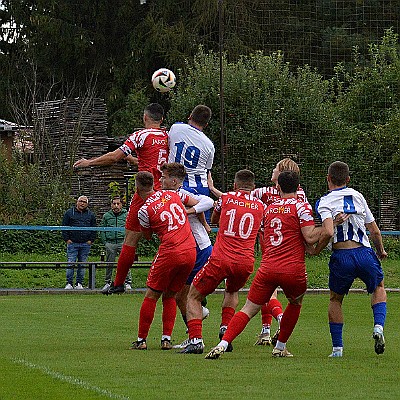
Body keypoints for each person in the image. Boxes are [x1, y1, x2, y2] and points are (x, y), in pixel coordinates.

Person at [205, 170, 323, 359]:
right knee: (295, 303)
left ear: (278, 187)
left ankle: (223, 343)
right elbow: (309, 237)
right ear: (298, 187)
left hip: (268, 266)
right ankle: (280, 347)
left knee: (248, 309)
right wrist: (326, 228)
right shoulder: (301, 207)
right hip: (293, 268)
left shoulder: (268, 209)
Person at [73, 103, 168, 294]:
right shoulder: (169, 137)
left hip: (145, 194)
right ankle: (183, 282)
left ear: (144, 118)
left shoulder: (141, 135)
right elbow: (154, 162)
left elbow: (115, 157)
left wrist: (88, 163)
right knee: (171, 239)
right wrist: (135, 161)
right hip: (166, 195)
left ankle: (118, 284)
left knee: (130, 239)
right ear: (162, 120)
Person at [182, 169, 265, 354]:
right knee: (232, 290)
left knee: (193, 295)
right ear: (253, 187)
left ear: (235, 185)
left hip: (221, 258)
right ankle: (225, 328)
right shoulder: (260, 206)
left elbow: (214, 219)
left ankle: (195, 339)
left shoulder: (226, 199)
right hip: (245, 261)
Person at [315, 161, 387, 357]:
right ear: (348, 179)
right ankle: (378, 327)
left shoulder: (324, 202)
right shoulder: (358, 196)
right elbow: (374, 230)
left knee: (335, 300)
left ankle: (337, 349)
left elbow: (327, 232)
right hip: (364, 253)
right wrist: (380, 251)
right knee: (379, 287)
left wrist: (315, 250)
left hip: (341, 255)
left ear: (328, 178)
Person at [130, 165, 203, 350]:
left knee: (152, 294)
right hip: (190, 250)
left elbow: (147, 236)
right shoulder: (174, 194)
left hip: (170, 250)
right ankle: (166, 339)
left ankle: (141, 340)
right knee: (171, 294)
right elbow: (196, 202)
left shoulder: (144, 210)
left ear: (137, 189)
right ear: (154, 184)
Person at [168, 105, 214, 220]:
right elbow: (207, 169)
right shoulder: (209, 145)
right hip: (199, 187)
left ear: (190, 116)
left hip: (175, 183)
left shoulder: (176, 128)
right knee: (201, 228)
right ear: (206, 125)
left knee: (175, 224)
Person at [62, 195, 97, 289]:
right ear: (77, 202)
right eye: (81, 201)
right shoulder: (69, 213)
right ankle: (69, 283)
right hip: (72, 243)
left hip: (85, 244)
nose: (82, 203)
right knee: (71, 263)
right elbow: (64, 227)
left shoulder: (91, 215)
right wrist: (67, 240)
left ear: (87, 204)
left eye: (84, 202)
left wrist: (91, 240)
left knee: (82, 264)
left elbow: (94, 228)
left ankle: (79, 283)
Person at [99, 196, 132, 291]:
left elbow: (131, 228)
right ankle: (108, 282)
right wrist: (105, 242)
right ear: (111, 205)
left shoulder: (127, 215)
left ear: (121, 205)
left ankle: (127, 282)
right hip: (110, 243)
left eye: (118, 203)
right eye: (114, 204)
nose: (116, 206)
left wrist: (128, 241)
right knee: (109, 263)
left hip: (123, 242)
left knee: (125, 262)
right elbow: (102, 229)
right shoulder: (106, 216)